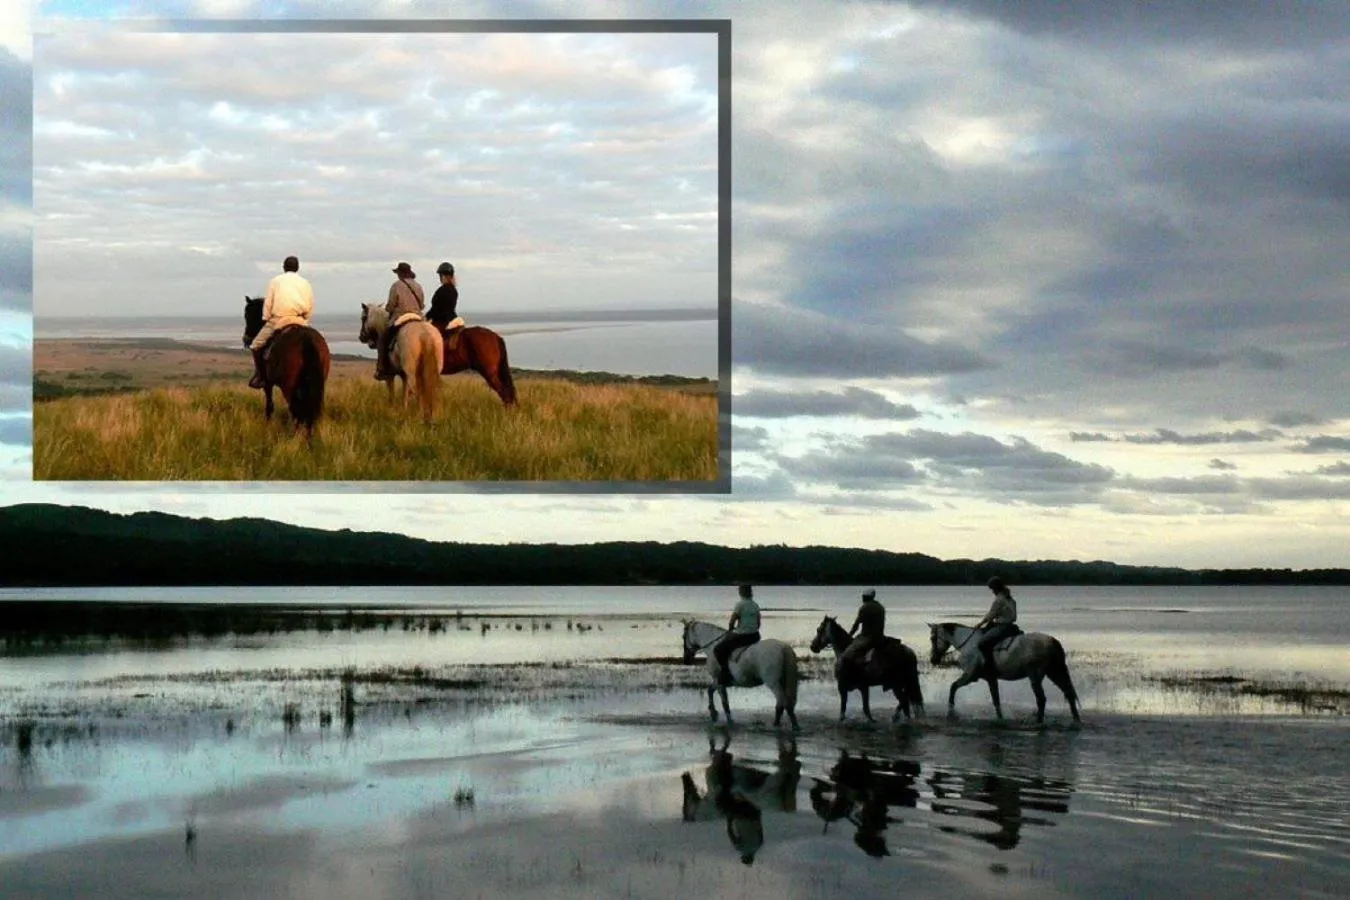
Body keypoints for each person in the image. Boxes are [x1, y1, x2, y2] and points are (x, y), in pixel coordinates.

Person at [249, 255, 314, 389]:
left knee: (255, 345)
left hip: (279, 319)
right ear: (297, 268)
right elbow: (310, 304)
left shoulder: (275, 281)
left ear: (284, 267)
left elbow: (268, 303)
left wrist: (266, 318)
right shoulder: (305, 283)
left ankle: (260, 376)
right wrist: (305, 318)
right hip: (300, 319)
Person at [374, 261, 425, 381]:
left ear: (400, 274)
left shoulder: (396, 285)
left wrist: (388, 309)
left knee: (383, 339)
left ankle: (382, 368)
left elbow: (390, 306)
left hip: (401, 317)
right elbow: (422, 305)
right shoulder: (418, 286)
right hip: (417, 318)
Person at [714, 583, 761, 686]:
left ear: (741, 592)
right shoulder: (755, 605)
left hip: (742, 635)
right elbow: (758, 624)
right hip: (755, 635)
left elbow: (732, 622)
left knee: (718, 649)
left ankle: (725, 672)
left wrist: (731, 630)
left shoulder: (739, 605)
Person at [974, 576, 1018, 678]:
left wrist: (980, 624)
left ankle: (989, 667)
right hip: (1012, 627)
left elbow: (991, 614)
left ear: (996, 588)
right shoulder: (1010, 599)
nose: (992, 591)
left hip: (1002, 627)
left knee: (982, 643)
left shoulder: (999, 600)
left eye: (992, 589)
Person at [838, 588, 886, 678]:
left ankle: (854, 674)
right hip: (880, 637)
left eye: (863, 597)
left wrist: (850, 635)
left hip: (867, 637)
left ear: (866, 597)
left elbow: (856, 625)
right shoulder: (880, 607)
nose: (862, 598)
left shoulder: (864, 608)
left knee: (848, 653)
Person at [427, 261, 463, 332]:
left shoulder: (441, 290)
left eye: (440, 275)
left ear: (442, 275)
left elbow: (435, 308)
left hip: (441, 321)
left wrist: (426, 317)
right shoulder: (453, 289)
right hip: (452, 319)